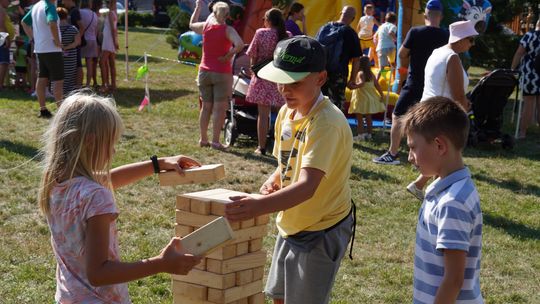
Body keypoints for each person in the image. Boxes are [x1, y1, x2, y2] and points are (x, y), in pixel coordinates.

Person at [225, 36, 355, 304]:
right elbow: (285, 163)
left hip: (321, 228)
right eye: (281, 81)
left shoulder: (326, 123)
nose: (285, 90)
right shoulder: (286, 112)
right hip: (292, 223)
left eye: (294, 82)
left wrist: (258, 206)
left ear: (320, 78)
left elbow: (307, 186)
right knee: (279, 296)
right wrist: (274, 180)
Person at [38, 92, 203, 303]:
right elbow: (99, 274)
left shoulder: (55, 181)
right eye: (111, 143)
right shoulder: (96, 196)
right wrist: (161, 263)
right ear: (90, 142)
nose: (114, 150)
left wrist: (157, 164)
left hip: (68, 297)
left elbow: (110, 179)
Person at [401, 96, 483, 304]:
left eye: (413, 147)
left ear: (439, 146)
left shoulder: (452, 203)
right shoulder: (449, 188)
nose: (410, 157)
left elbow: (454, 280)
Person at [405, 20, 477, 200]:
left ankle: (420, 186)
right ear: (461, 39)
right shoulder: (451, 57)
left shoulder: (437, 52)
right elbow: (458, 95)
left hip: (426, 111)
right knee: (445, 157)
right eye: (471, 40)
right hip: (441, 115)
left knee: (436, 156)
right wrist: (465, 111)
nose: (472, 45)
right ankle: (433, 191)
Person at [372, 0, 447, 166]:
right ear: (440, 16)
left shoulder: (415, 32)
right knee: (430, 121)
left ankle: (393, 153)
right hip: (435, 84)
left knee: (398, 115)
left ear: (425, 14)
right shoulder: (445, 36)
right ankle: (430, 157)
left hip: (415, 81)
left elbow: (401, 54)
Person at [189, 0, 244, 151]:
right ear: (227, 14)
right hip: (222, 72)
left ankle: (203, 139)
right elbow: (240, 44)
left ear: (213, 12)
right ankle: (215, 141)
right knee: (219, 108)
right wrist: (229, 55)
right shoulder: (228, 30)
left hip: (204, 71)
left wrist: (198, 8)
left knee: (205, 107)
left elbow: (191, 24)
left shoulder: (205, 26)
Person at [246, 8, 289, 155]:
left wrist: (252, 70)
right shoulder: (287, 35)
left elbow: (252, 55)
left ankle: (261, 147)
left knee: (263, 115)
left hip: (263, 76)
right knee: (282, 115)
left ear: (268, 20)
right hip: (280, 79)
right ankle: (282, 147)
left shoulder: (260, 33)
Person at [22, 0, 64, 118]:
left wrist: (33, 38)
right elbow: (52, 23)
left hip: (40, 49)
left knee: (42, 78)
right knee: (58, 81)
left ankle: (43, 109)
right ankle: (62, 112)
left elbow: (24, 22)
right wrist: (57, 41)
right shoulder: (49, 6)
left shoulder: (37, 6)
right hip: (52, 50)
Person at [316, 6, 361, 111]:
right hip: (338, 75)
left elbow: (315, 49)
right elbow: (356, 59)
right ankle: (334, 126)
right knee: (336, 106)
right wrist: (352, 79)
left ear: (341, 13)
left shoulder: (324, 28)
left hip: (320, 72)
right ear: (353, 19)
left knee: (318, 103)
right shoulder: (350, 33)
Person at [511, 19, 540, 139]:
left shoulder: (530, 35)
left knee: (529, 103)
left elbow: (519, 53)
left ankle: (522, 132)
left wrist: (512, 69)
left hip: (530, 73)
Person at [350, 56, 385, 141]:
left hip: (361, 99)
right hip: (369, 99)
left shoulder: (360, 73)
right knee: (368, 117)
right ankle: (369, 134)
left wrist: (353, 86)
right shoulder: (371, 73)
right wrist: (381, 94)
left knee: (359, 117)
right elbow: (377, 85)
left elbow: (361, 84)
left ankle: (360, 135)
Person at [58, 7, 80, 96]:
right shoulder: (73, 29)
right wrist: (67, 47)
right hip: (71, 54)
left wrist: (61, 47)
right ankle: (69, 92)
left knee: (58, 73)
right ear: (66, 16)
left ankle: (57, 91)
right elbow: (77, 42)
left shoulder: (55, 29)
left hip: (58, 54)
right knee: (70, 74)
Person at [62, 0, 84, 89]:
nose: (63, 2)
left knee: (78, 65)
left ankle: (78, 86)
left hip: (75, 43)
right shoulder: (72, 10)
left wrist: (78, 39)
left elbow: (82, 27)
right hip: (72, 42)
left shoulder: (74, 11)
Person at [99, 0, 119, 93]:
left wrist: (114, 41)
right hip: (110, 39)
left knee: (102, 61)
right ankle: (113, 84)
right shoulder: (114, 13)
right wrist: (116, 41)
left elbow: (112, 29)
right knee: (111, 63)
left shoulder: (111, 13)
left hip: (108, 40)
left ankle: (105, 85)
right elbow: (115, 29)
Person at [80, 0, 99, 88]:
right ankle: (88, 84)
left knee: (78, 64)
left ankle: (79, 83)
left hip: (82, 40)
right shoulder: (94, 14)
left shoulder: (79, 12)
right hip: (92, 40)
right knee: (89, 64)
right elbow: (96, 30)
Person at [0, 0, 15, 90]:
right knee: (3, 62)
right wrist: (7, 38)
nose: (9, 2)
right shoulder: (0, 9)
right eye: (8, 0)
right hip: (2, 36)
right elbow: (1, 24)